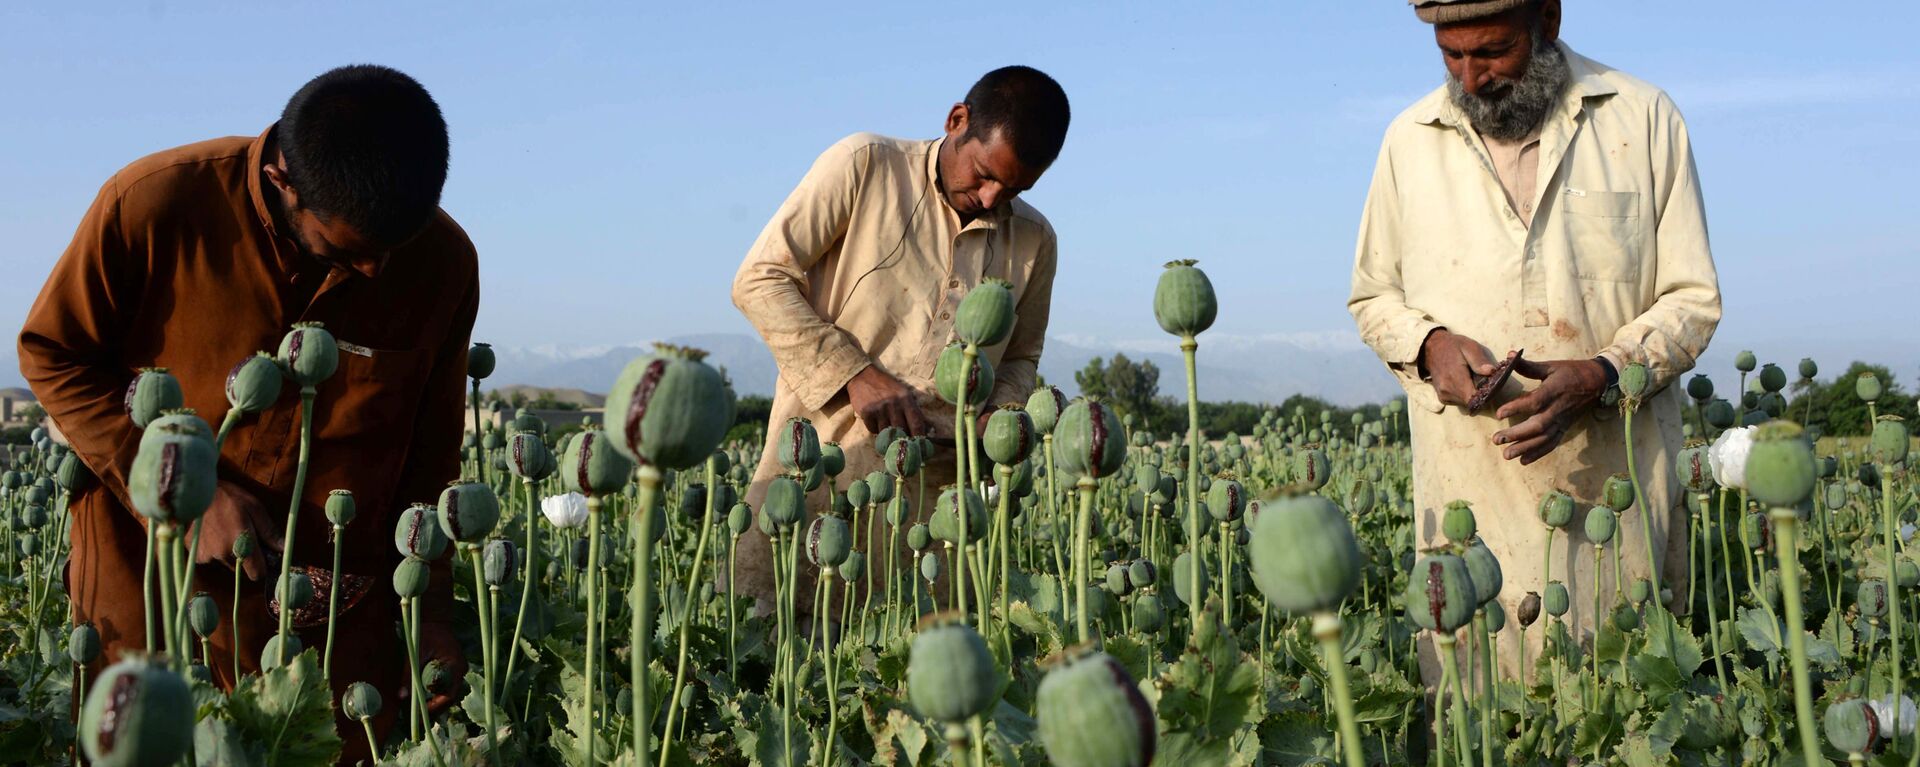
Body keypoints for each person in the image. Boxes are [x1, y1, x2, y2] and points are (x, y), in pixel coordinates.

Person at [18, 64, 476, 760]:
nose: (379, 275)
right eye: (351, 255)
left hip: (334, 618)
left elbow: (433, 450)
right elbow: (53, 352)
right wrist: (182, 498)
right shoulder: (153, 205)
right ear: (284, 181)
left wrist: (431, 609)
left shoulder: (442, 260)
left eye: (394, 251)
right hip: (150, 583)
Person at [1348, 0, 1720, 685]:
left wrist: (1606, 371)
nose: (1470, 77)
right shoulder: (1409, 140)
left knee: (1613, 715)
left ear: (1546, 19)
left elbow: (1692, 301)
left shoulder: (1641, 118)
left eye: (1490, 52)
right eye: (1450, 55)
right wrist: (1428, 346)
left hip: (1612, 499)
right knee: (1477, 727)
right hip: (1467, 508)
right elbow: (1373, 296)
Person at [730, 65, 1070, 618]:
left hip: (936, 510)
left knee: (902, 670)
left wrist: (999, 416)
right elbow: (760, 279)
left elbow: (1021, 358)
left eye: (1013, 189)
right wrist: (854, 374)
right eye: (984, 175)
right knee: (770, 656)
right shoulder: (866, 166)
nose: (990, 198)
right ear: (957, 120)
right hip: (816, 471)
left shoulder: (1035, 240)